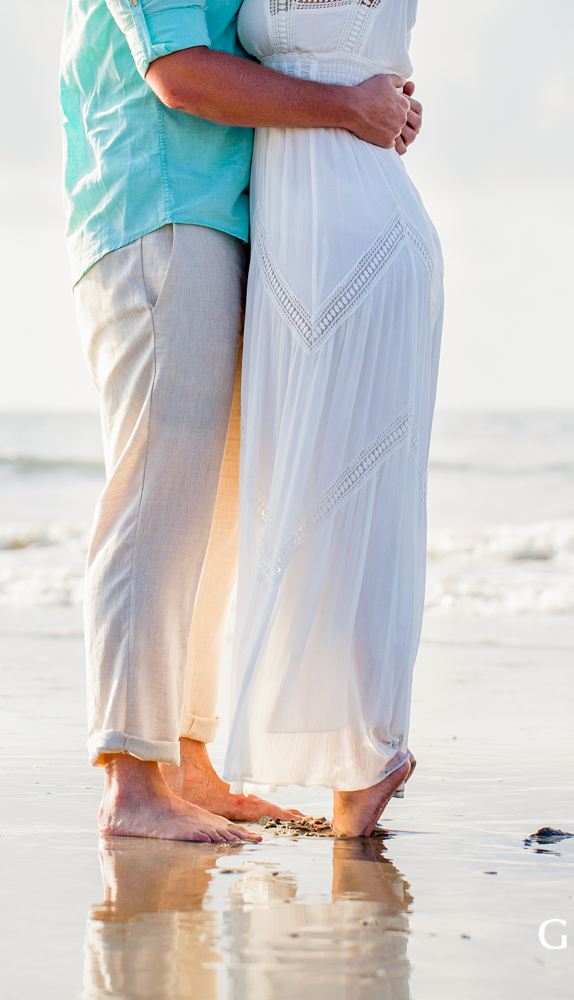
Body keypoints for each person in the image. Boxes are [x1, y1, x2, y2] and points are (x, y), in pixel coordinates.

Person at [62, 0, 422, 843]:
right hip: (157, 215)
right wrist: (345, 107)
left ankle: (186, 761)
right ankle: (129, 784)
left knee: (214, 515)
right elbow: (180, 76)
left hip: (226, 223)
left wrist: (368, 99)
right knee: (156, 501)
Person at [224, 0, 441, 837]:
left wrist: (381, 104)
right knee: (304, 491)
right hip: (287, 245)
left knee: (361, 496)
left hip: (366, 232)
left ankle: (375, 750)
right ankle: (359, 751)